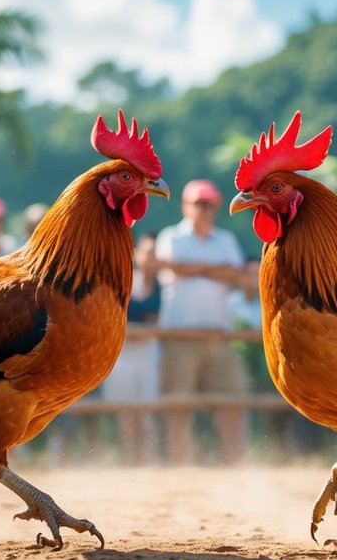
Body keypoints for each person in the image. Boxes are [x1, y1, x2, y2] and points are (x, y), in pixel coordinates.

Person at [155, 179, 248, 465]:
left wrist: (194, 269)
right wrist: (215, 269)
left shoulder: (225, 239)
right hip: (180, 334)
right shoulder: (172, 236)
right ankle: (179, 463)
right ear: (186, 205)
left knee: (231, 402)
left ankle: (235, 464)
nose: (205, 210)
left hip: (219, 334)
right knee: (178, 405)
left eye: (209, 205)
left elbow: (235, 274)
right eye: (200, 204)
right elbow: (174, 266)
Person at [100, 233, 161, 463]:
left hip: (147, 352)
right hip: (122, 353)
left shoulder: (161, 286)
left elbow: (156, 323)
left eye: (155, 253)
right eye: (147, 251)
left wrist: (135, 330)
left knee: (146, 411)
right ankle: (129, 457)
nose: (151, 257)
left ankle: (145, 458)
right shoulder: (125, 279)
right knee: (125, 411)